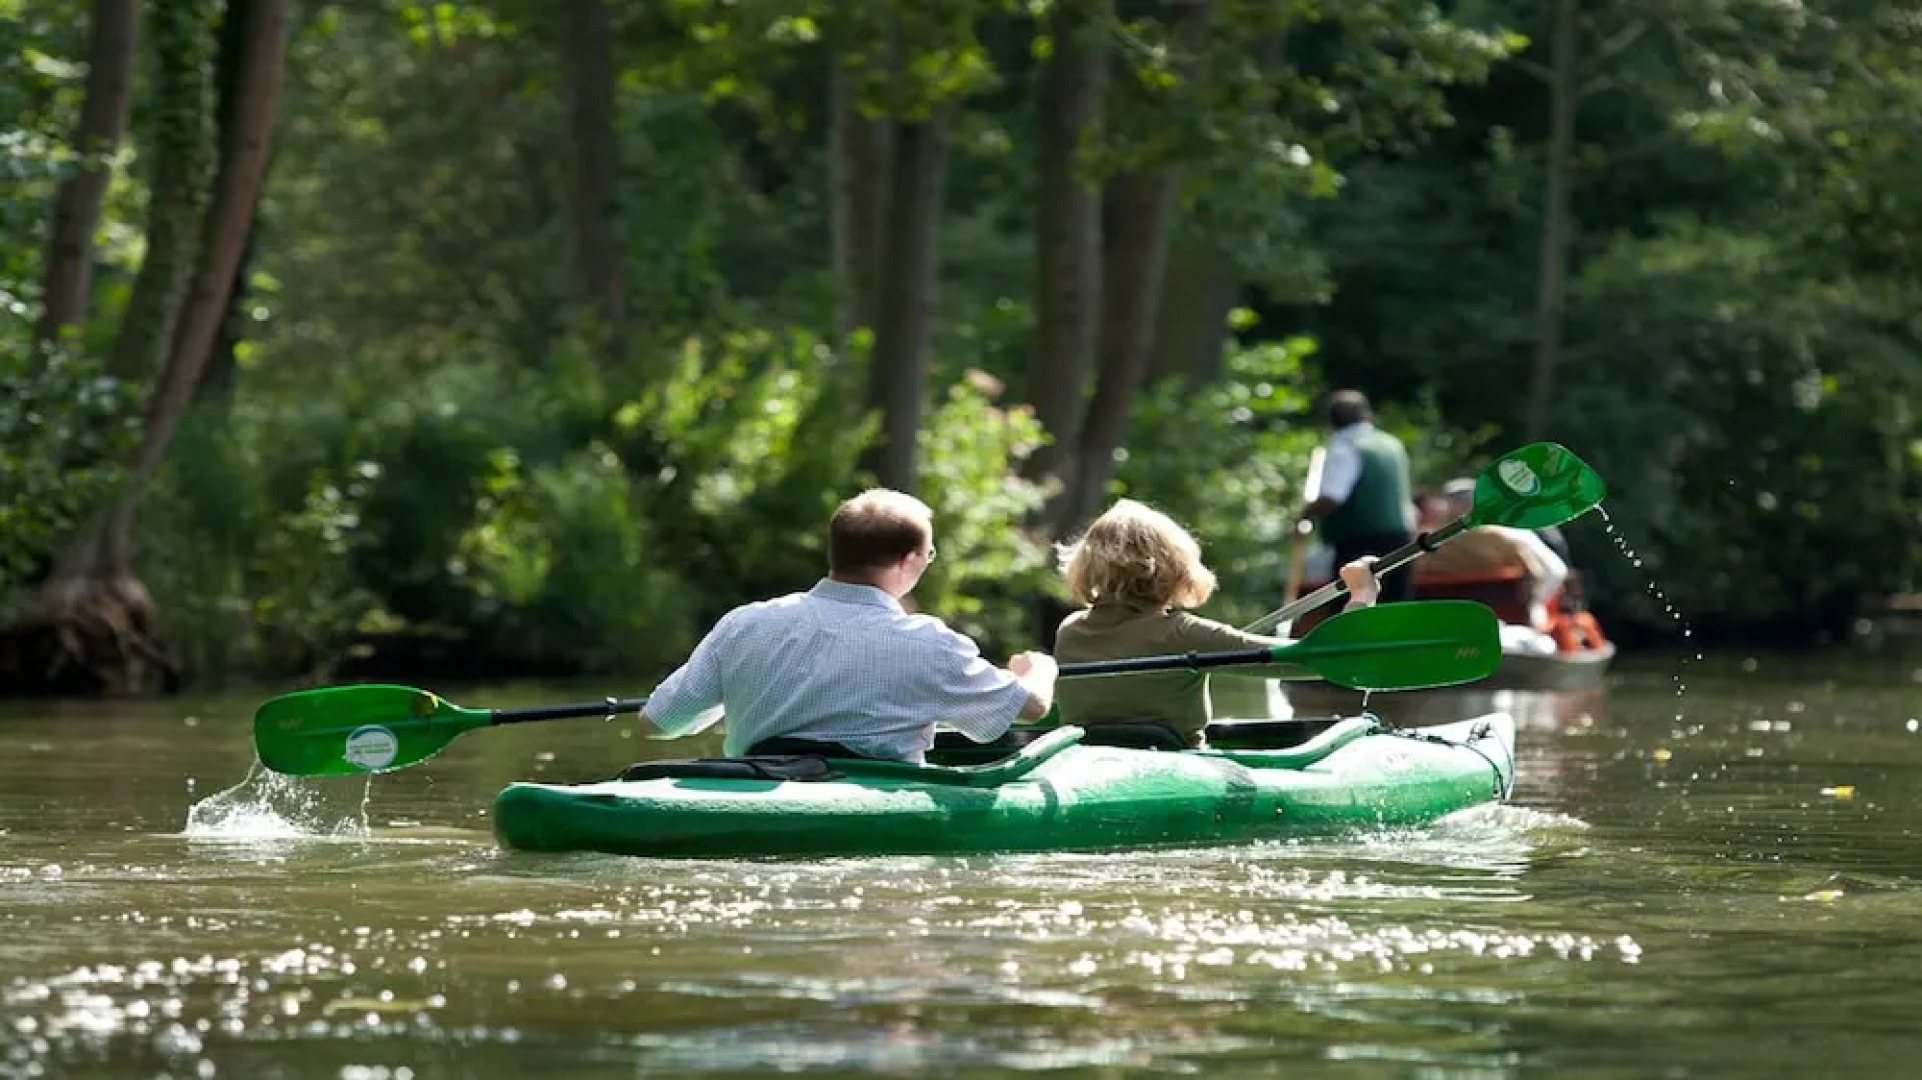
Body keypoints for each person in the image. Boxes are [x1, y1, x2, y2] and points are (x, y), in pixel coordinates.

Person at [638, 489, 1058, 763]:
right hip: (873, 805)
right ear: (909, 560)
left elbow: (657, 724)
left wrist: (736, 691)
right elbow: (1032, 709)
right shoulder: (930, 643)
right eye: (929, 555)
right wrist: (1040, 670)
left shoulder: (743, 624)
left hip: (757, 788)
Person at [1052, 499, 1380, 747]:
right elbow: (1325, 658)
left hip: (1091, 758)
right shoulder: (1182, 632)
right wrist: (1361, 595)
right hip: (1172, 763)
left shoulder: (1069, 631)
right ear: (1174, 567)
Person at [1415, 478, 1569, 646]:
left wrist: (1534, 603)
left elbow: (1550, 572)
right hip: (1497, 620)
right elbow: (1553, 572)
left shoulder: (1427, 543)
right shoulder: (1511, 536)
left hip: (1469, 622)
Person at [1298, 390, 1416, 603]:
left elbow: (1332, 497)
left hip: (1359, 545)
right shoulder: (1392, 445)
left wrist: (1304, 515)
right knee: (1395, 607)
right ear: (1367, 415)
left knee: (1352, 608)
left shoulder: (1344, 449)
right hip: (1400, 539)